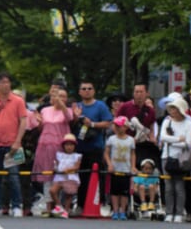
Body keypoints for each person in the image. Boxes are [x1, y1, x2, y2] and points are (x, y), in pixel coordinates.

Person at [0, 72, 28, 216]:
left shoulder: (18, 101)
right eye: (2, 82)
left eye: (7, 82)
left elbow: (23, 121)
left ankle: (17, 205)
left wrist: (18, 141)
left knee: (14, 175)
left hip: (13, 143)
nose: (6, 85)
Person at [72, 81, 114, 214]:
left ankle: (100, 203)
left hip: (96, 146)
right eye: (83, 89)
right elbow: (70, 123)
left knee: (97, 176)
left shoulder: (100, 105)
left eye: (89, 88)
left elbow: (108, 123)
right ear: (79, 92)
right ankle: (80, 205)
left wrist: (92, 124)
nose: (87, 91)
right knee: (81, 177)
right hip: (79, 147)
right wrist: (76, 117)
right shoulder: (76, 106)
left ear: (94, 91)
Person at [31, 87, 74, 215]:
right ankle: (49, 206)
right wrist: (38, 122)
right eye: (57, 96)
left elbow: (69, 118)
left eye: (63, 96)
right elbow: (41, 128)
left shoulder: (68, 111)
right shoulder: (45, 110)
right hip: (44, 145)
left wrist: (59, 101)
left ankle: (61, 206)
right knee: (47, 176)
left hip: (60, 147)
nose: (59, 98)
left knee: (61, 176)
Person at [159, 97, 191, 223]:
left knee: (179, 186)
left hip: (181, 159)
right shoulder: (167, 121)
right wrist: (179, 139)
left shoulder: (189, 124)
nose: (172, 110)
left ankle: (179, 212)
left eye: (174, 108)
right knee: (168, 187)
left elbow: (188, 143)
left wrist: (172, 141)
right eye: (171, 108)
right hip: (166, 157)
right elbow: (163, 137)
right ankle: (169, 212)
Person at [105, 116, 136, 220]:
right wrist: (109, 164)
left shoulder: (131, 140)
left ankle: (122, 210)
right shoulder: (111, 139)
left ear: (126, 127)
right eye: (116, 126)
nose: (118, 128)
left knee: (124, 192)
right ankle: (115, 210)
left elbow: (132, 154)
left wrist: (133, 166)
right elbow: (106, 153)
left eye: (120, 126)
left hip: (126, 169)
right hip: (115, 169)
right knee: (114, 191)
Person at [49, 133, 82, 218]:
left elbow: (77, 166)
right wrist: (56, 169)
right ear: (63, 146)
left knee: (69, 194)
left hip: (71, 177)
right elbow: (57, 164)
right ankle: (59, 205)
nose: (69, 147)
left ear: (74, 146)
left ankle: (66, 210)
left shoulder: (77, 156)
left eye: (71, 145)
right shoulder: (59, 155)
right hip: (60, 177)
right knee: (52, 190)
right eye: (67, 145)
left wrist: (68, 170)